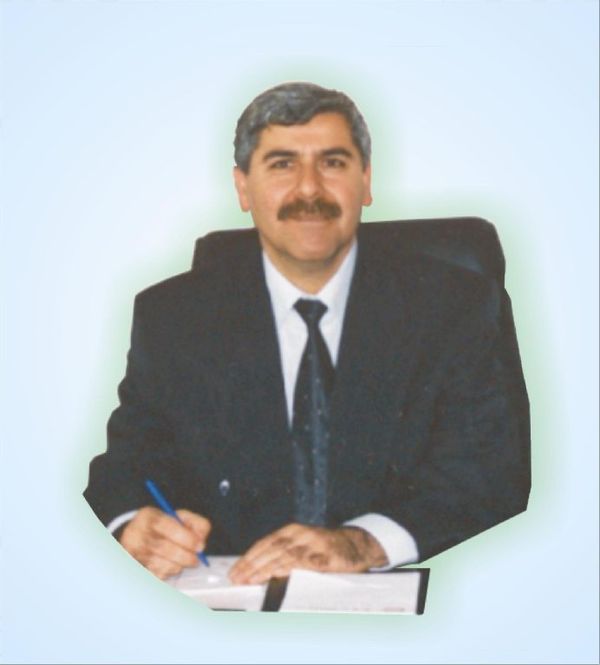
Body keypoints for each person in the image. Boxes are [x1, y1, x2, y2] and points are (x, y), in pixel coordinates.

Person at [84, 82, 530, 585]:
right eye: (282, 164)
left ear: (365, 180)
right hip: (231, 601)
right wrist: (134, 523)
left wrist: (363, 543)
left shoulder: (455, 305)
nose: (309, 190)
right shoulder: (173, 316)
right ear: (243, 188)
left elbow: (492, 470)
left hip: (406, 597)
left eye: (333, 163)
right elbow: (129, 463)